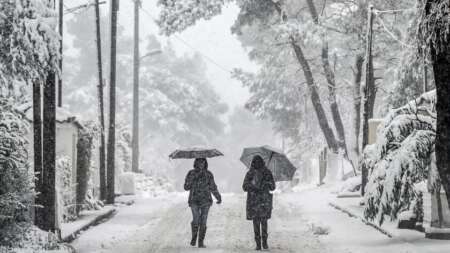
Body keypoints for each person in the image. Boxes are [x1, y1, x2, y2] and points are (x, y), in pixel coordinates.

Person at [184, 158, 222, 248]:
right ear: (196, 163)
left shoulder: (208, 174)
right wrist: (192, 179)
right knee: (196, 219)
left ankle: (200, 242)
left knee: (203, 221)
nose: (201, 164)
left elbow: (213, 187)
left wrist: (218, 197)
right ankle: (194, 237)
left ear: (205, 163)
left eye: (203, 162)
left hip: (206, 201)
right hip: (194, 201)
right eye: (199, 162)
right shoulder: (191, 173)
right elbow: (186, 187)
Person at [242, 155, 276, 250]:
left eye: (259, 162)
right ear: (253, 163)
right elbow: (244, 186)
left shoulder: (267, 173)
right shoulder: (250, 173)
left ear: (261, 162)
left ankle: (264, 242)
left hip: (264, 201)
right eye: (255, 162)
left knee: (264, 222)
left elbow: (273, 187)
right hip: (253, 202)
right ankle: (258, 243)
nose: (257, 164)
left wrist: (266, 183)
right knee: (256, 223)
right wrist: (252, 185)